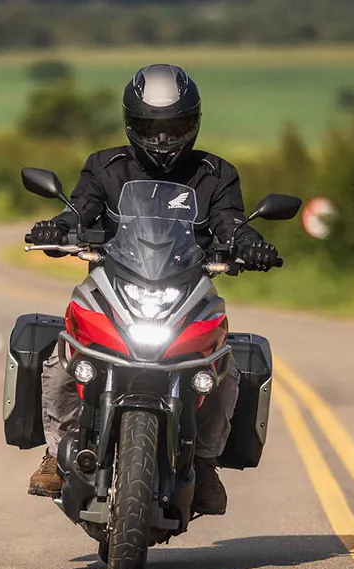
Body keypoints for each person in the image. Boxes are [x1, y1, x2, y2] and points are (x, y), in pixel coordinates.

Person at [25, 64, 279, 516]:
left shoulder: (216, 174)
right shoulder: (104, 167)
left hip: (187, 287)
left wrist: (250, 243)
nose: (162, 141)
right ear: (130, 124)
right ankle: (57, 450)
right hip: (114, 280)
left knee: (222, 365)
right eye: (150, 129)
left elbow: (230, 222)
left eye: (175, 128)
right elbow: (80, 211)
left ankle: (202, 462)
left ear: (194, 123)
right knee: (65, 352)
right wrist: (57, 228)